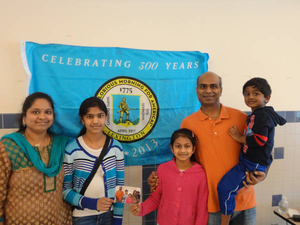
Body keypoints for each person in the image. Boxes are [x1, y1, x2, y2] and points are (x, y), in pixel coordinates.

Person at [148, 72, 267, 225]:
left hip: (245, 199)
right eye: (203, 86)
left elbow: (263, 147)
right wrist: (159, 180)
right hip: (211, 204)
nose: (208, 90)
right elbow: (183, 163)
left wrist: (263, 174)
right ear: (196, 90)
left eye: (213, 86)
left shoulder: (241, 118)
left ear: (221, 90)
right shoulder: (188, 123)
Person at [218, 77, 286, 225]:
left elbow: (260, 140)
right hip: (249, 161)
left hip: (251, 164)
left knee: (225, 189)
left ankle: (224, 222)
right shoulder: (258, 115)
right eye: (247, 94)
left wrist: (239, 137)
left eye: (256, 94)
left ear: (267, 98)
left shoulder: (262, 116)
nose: (250, 97)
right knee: (225, 188)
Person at [0, 92, 72, 225]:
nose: (42, 117)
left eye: (48, 112)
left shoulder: (61, 145)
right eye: (35, 112)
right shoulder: (8, 146)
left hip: (59, 220)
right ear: (24, 117)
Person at [63, 97, 124, 225]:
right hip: (81, 217)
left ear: (106, 117)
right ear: (82, 119)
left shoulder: (116, 148)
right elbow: (65, 190)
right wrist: (93, 203)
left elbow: (120, 188)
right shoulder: (71, 150)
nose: (95, 121)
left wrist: (118, 220)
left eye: (100, 116)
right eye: (90, 116)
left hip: (109, 215)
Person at [131, 128, 208, 225]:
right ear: (172, 148)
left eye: (187, 146)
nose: (182, 150)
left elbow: (202, 209)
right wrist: (141, 209)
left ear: (193, 149)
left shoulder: (200, 175)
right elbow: (155, 199)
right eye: (178, 146)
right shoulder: (162, 169)